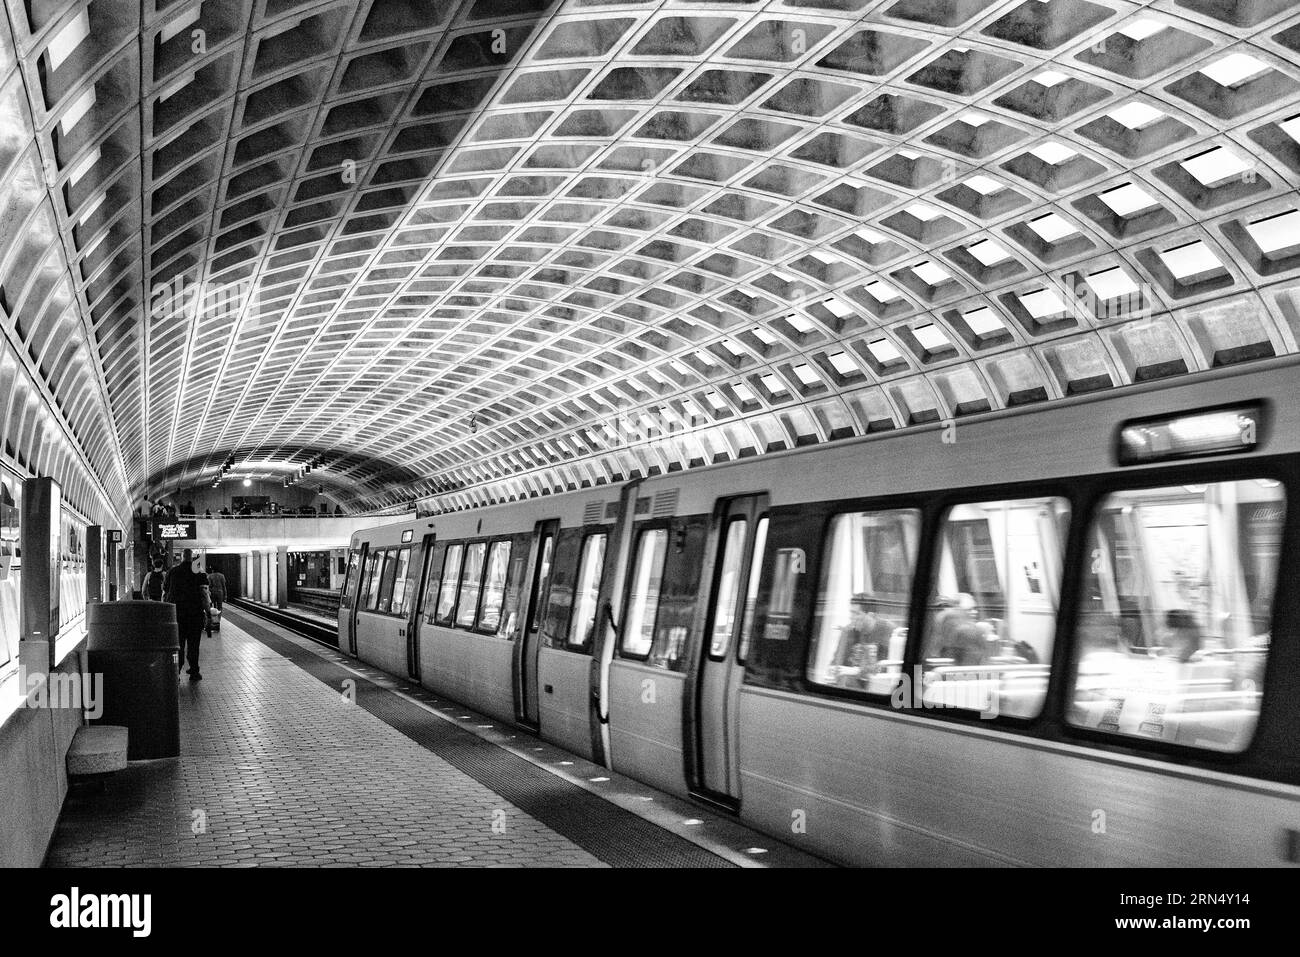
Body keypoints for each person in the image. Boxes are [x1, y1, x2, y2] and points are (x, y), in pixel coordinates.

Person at [164, 549, 210, 681]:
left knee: (178, 645)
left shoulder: (172, 572)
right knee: (194, 644)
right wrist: (208, 613)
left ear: (182, 557)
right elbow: (204, 594)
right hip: (195, 615)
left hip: (177, 615)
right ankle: (194, 671)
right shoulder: (198, 572)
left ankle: (176, 672)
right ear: (192, 558)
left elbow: (166, 591)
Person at [206, 564, 227, 630]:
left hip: (212, 592)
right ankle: (219, 619)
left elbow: (209, 585)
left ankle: (214, 619)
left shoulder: (210, 576)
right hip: (220, 592)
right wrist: (225, 595)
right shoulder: (222, 576)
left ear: (212, 569)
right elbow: (224, 586)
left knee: (212, 606)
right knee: (220, 606)